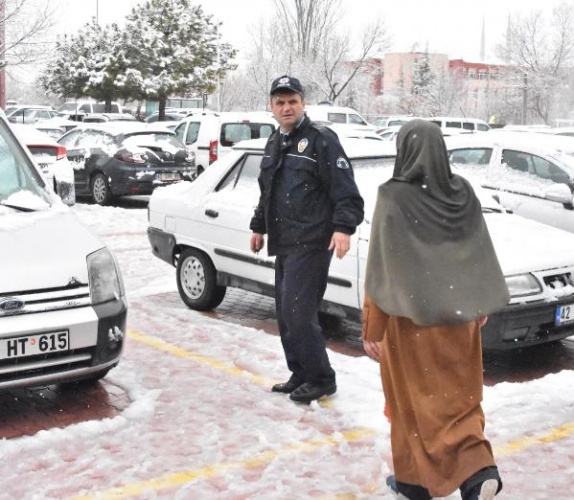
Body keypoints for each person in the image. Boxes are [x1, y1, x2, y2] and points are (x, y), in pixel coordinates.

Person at [362, 119, 509, 500]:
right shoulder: (462, 192)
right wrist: (480, 301)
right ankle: (475, 472)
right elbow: (477, 250)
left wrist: (372, 328)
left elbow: (381, 267)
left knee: (410, 404)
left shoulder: (393, 197)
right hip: (460, 321)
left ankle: (421, 480)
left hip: (410, 323)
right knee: (460, 401)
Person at [249, 75, 364, 404]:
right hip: (285, 241)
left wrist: (343, 228)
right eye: (280, 102)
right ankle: (300, 371)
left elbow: (346, 192)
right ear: (271, 107)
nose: (287, 108)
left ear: (303, 104)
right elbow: (267, 192)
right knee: (286, 313)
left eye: (293, 101)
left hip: (313, 241)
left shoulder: (322, 140)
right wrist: (259, 226)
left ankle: (321, 377)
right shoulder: (274, 142)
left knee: (299, 312)